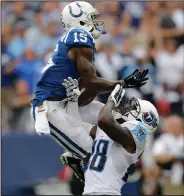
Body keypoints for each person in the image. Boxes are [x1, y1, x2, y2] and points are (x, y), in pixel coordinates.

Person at [31, 1, 148, 159]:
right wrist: (123, 83)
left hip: (69, 100)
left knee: (114, 118)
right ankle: (72, 157)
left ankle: (118, 153)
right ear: (79, 20)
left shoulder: (80, 42)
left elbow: (91, 87)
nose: (96, 22)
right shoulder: (79, 40)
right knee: (90, 152)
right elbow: (92, 82)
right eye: (91, 18)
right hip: (51, 106)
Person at [61, 77, 159, 195]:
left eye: (133, 108)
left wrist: (112, 99)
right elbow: (75, 123)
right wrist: (73, 98)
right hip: (91, 191)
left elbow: (104, 120)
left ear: (142, 118)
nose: (126, 107)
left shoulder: (138, 133)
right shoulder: (109, 129)